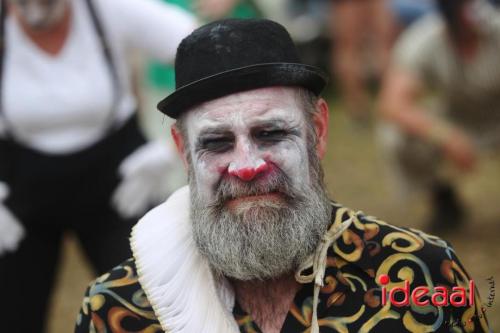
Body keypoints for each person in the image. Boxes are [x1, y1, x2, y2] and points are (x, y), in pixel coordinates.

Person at [75, 19, 490, 333]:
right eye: (217, 142)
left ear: (318, 132)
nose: (247, 165)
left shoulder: (423, 274)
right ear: (184, 152)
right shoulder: (120, 310)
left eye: (270, 133)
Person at [0, 0, 196, 331]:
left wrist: (177, 145)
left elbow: (204, 49)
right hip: (19, 194)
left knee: (150, 305)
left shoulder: (109, 9)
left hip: (118, 185)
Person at [378, 0, 500, 232]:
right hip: (458, 119)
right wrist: (445, 136)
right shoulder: (424, 41)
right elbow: (392, 103)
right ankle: (443, 199)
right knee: (397, 136)